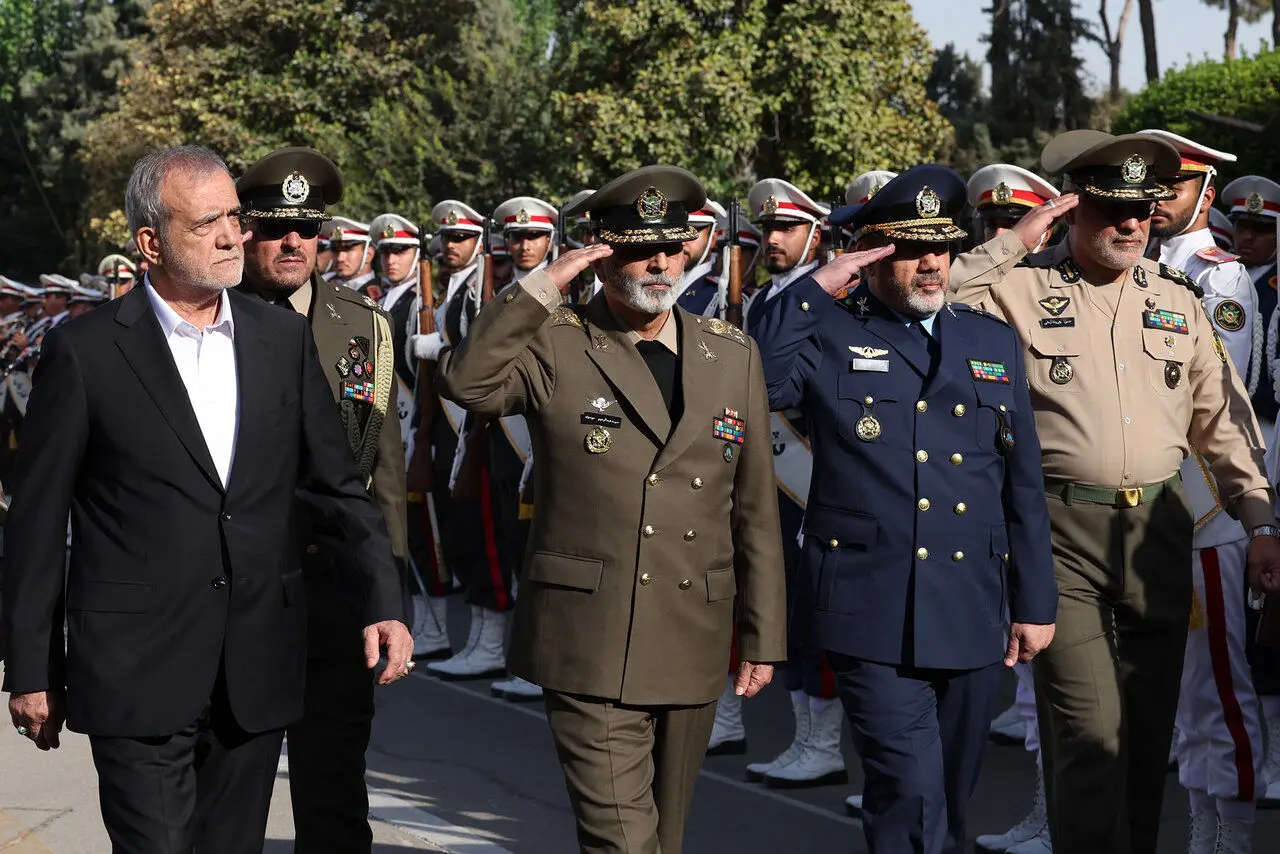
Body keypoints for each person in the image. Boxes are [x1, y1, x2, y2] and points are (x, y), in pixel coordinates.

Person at [1, 145, 413, 854]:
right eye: (208, 223)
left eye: (233, 218)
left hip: (255, 664)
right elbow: (39, 521)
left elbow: (336, 485)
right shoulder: (86, 352)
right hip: (136, 668)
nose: (233, 236)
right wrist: (32, 668)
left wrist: (383, 597)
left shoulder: (280, 339)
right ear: (150, 242)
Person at [949, 129, 1280, 854]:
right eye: (1111, 209)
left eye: (1143, 209)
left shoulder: (1177, 299)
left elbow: (1222, 422)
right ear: (1075, 210)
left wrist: (1259, 521)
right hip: (1057, 535)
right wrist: (1017, 238)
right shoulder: (1021, 287)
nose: (1132, 223)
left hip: (1160, 533)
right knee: (1090, 731)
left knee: (1143, 733)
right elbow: (937, 297)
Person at [439, 165, 786, 854]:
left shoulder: (729, 354)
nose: (658, 261)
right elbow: (469, 381)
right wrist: (544, 284)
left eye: (672, 245)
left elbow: (752, 508)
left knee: (665, 837)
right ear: (600, 251)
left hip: (692, 632)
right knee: (623, 843)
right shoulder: (555, 340)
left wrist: (763, 631)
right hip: (590, 638)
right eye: (636, 247)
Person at [753, 164, 1057, 854]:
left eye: (942, 248)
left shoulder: (987, 339)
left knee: (945, 794)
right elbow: (756, 380)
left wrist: (1035, 600)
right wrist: (815, 288)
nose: (930, 264)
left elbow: (1021, 480)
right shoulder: (828, 331)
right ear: (874, 253)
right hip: (871, 607)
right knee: (910, 789)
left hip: (972, 606)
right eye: (911, 249)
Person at [234, 147, 410, 854]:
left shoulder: (361, 326)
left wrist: (387, 596)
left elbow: (384, 474)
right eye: (276, 228)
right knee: (233, 787)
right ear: (247, 232)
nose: (294, 243)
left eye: (307, 229)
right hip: (238, 590)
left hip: (335, 594)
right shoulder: (214, 318)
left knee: (335, 788)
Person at [733, 179, 847, 789]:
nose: (773, 239)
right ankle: (805, 735)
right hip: (771, 474)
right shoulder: (760, 297)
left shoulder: (830, 295)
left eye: (786, 229)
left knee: (814, 610)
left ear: (815, 232)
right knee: (782, 606)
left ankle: (824, 741)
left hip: (813, 474)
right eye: (767, 229)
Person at [1221, 175, 1280, 429]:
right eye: (1241, 226)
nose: (1247, 236)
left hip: (1265, 419)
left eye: (1261, 229)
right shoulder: (1219, 276)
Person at [675, 200, 727, 317]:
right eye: (678, 232)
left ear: (713, 239)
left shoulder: (721, 293)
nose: (682, 241)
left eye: (692, 232)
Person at [330, 215, 378, 298]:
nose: (340, 258)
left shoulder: (380, 293)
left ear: (368, 255)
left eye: (348, 249)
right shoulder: (327, 285)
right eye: (335, 250)